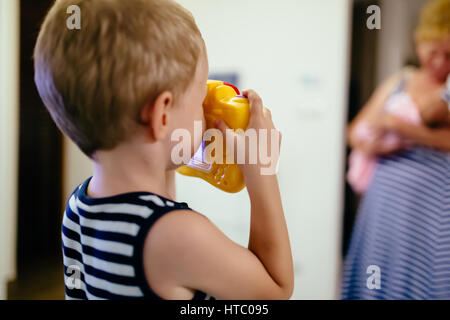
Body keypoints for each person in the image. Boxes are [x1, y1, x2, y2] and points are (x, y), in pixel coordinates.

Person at [34, 0, 293, 300]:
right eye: (200, 98)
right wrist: (262, 174)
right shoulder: (179, 235)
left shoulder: (78, 209)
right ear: (163, 115)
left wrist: (178, 150)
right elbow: (276, 289)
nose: (206, 110)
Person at [342, 0, 450, 299]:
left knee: (427, 277)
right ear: (419, 42)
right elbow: (354, 132)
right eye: (433, 52)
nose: (440, 62)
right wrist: (370, 142)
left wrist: (399, 126)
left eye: (449, 55)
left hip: (434, 209)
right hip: (385, 206)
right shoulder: (399, 82)